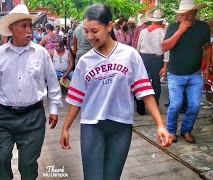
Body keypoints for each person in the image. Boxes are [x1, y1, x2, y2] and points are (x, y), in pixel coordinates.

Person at [60, 4, 172, 180]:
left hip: (121, 126)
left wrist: (160, 124)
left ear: (109, 26)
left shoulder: (130, 55)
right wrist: (65, 127)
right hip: (92, 126)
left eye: (94, 31)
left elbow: (145, 92)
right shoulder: (85, 61)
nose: (89, 36)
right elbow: (76, 98)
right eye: (86, 31)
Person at [0, 4, 62, 180]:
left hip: (33, 117)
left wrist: (54, 109)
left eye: (30, 26)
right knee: (2, 158)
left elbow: (53, 84)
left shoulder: (41, 53)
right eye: (23, 26)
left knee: (27, 164)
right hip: (5, 116)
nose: (29, 30)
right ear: (11, 29)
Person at [162, 0, 211, 143]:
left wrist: (207, 68)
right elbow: (164, 47)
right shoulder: (173, 27)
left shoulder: (203, 27)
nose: (185, 17)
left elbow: (207, 47)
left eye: (189, 13)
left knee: (195, 105)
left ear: (196, 13)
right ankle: (171, 131)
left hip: (195, 74)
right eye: (183, 14)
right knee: (176, 105)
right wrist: (181, 30)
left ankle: (186, 130)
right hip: (175, 74)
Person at [135, 9, 169, 115]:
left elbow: (138, 47)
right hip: (156, 59)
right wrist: (165, 65)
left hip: (143, 58)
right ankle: (154, 107)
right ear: (161, 21)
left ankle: (140, 107)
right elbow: (166, 49)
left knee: (142, 82)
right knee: (155, 84)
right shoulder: (163, 32)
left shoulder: (143, 31)